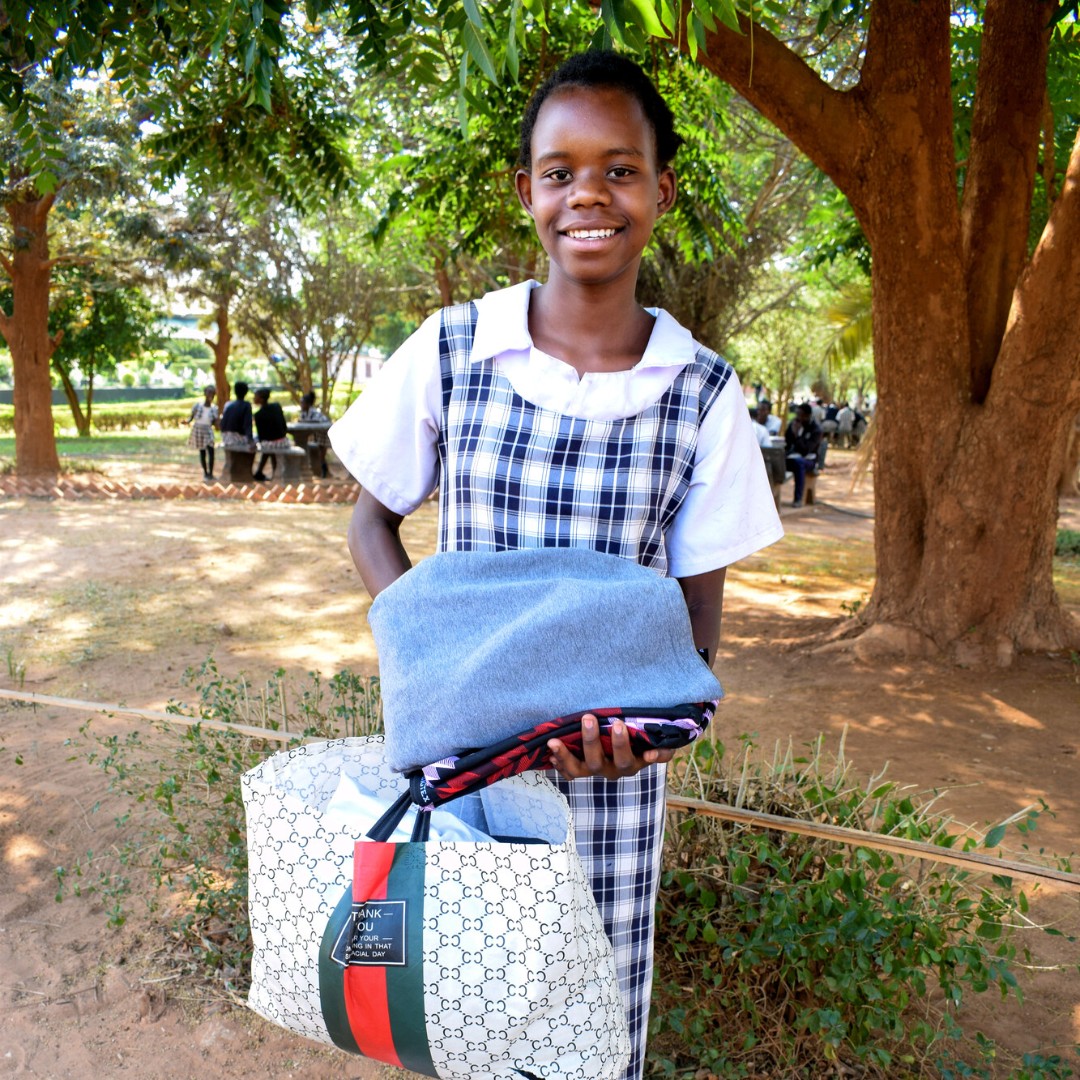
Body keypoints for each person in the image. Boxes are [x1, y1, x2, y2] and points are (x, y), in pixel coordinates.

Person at [329, 51, 783, 1080]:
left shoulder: (704, 393)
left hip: (613, 790)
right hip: (470, 781)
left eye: (620, 169)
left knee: (588, 1031)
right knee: (465, 1016)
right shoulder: (453, 351)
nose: (588, 193)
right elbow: (369, 524)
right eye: (558, 170)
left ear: (662, 191)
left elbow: (697, 627)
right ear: (527, 190)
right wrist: (448, 662)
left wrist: (651, 735)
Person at [784, 402, 822, 507]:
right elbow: (787, 442)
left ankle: (798, 499)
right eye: (797, 414)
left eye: (800, 415)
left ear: (807, 416)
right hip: (792, 457)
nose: (798, 418)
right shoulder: (794, 424)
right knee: (776, 459)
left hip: (809, 461)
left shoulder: (816, 430)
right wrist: (792, 432)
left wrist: (797, 435)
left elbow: (806, 450)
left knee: (799, 463)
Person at [252, 387, 290, 481]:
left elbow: (262, 437)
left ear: (261, 399)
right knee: (270, 448)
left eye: (255, 396)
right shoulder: (276, 406)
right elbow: (284, 426)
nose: (254, 398)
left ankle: (261, 472)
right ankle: (268, 471)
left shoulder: (258, 415)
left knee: (268, 447)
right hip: (283, 441)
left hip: (271, 443)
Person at [186, 385, 218, 481]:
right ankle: (205, 473)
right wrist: (187, 421)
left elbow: (215, 421)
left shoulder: (214, 408)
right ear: (205, 393)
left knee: (211, 451)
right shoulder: (198, 406)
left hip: (208, 430)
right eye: (208, 392)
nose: (210, 395)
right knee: (202, 452)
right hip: (198, 429)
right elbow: (191, 417)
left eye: (212, 393)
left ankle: (211, 473)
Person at [299, 391, 332, 478]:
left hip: (324, 433)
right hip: (317, 434)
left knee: (321, 453)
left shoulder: (314, 412)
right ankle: (322, 470)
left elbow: (317, 422)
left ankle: (324, 471)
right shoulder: (304, 413)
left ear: (308, 404)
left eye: (302, 403)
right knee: (318, 453)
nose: (301, 405)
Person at [219, 381, 255, 451]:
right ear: (246, 392)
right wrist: (251, 441)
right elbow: (247, 424)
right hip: (237, 438)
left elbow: (222, 424)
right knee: (257, 440)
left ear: (235, 391)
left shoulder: (228, 404)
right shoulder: (246, 405)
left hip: (225, 437)